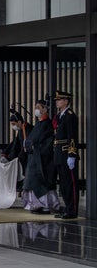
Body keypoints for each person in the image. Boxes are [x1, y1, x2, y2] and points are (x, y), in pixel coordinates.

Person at [21, 99, 59, 214]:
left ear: (44, 109)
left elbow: (47, 142)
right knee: (32, 181)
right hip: (33, 158)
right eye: (35, 107)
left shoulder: (48, 124)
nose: (36, 109)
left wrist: (34, 147)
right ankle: (35, 205)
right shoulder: (38, 123)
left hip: (43, 160)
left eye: (38, 107)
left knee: (42, 182)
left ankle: (46, 205)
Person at [52, 90, 80, 219]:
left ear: (66, 101)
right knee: (63, 184)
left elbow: (72, 136)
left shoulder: (70, 115)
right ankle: (67, 208)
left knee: (70, 183)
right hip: (59, 153)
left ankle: (72, 210)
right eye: (57, 100)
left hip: (66, 152)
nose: (57, 102)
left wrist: (72, 154)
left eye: (59, 100)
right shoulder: (59, 115)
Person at [0, 109, 33, 174]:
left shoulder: (28, 130)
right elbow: (15, 143)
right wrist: (5, 153)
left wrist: (18, 158)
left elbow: (25, 146)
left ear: (19, 122)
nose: (13, 126)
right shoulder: (21, 130)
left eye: (14, 124)